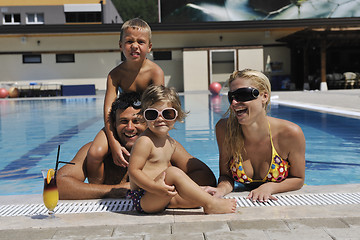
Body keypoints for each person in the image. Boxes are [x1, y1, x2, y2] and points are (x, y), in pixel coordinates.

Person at [57, 92, 216, 200]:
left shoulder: (164, 146)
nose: (130, 128)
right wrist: (115, 190)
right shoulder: (94, 150)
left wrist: (164, 188)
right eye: (124, 122)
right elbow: (57, 184)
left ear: (148, 121)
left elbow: (206, 176)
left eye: (137, 121)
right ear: (113, 125)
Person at [128, 85, 237, 214]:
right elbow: (133, 171)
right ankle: (211, 204)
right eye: (152, 114)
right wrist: (154, 187)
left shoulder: (170, 142)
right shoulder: (145, 141)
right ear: (144, 117)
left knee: (198, 197)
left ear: (177, 115)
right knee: (173, 172)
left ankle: (207, 200)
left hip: (163, 195)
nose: (160, 119)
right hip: (145, 197)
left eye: (167, 113)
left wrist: (194, 189)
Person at [207, 69, 305, 202]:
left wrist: (270, 187)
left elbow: (298, 179)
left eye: (243, 94)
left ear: (264, 96)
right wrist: (221, 190)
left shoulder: (290, 133)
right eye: (232, 97)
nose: (234, 103)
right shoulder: (225, 129)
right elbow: (226, 176)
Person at [87, 18, 164, 184]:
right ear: (121, 45)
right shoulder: (115, 75)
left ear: (149, 47)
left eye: (141, 42)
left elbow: (160, 109)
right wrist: (114, 144)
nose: (134, 46)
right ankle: (97, 190)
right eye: (129, 41)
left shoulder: (155, 73)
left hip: (147, 124)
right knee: (94, 153)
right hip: (122, 123)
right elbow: (108, 111)